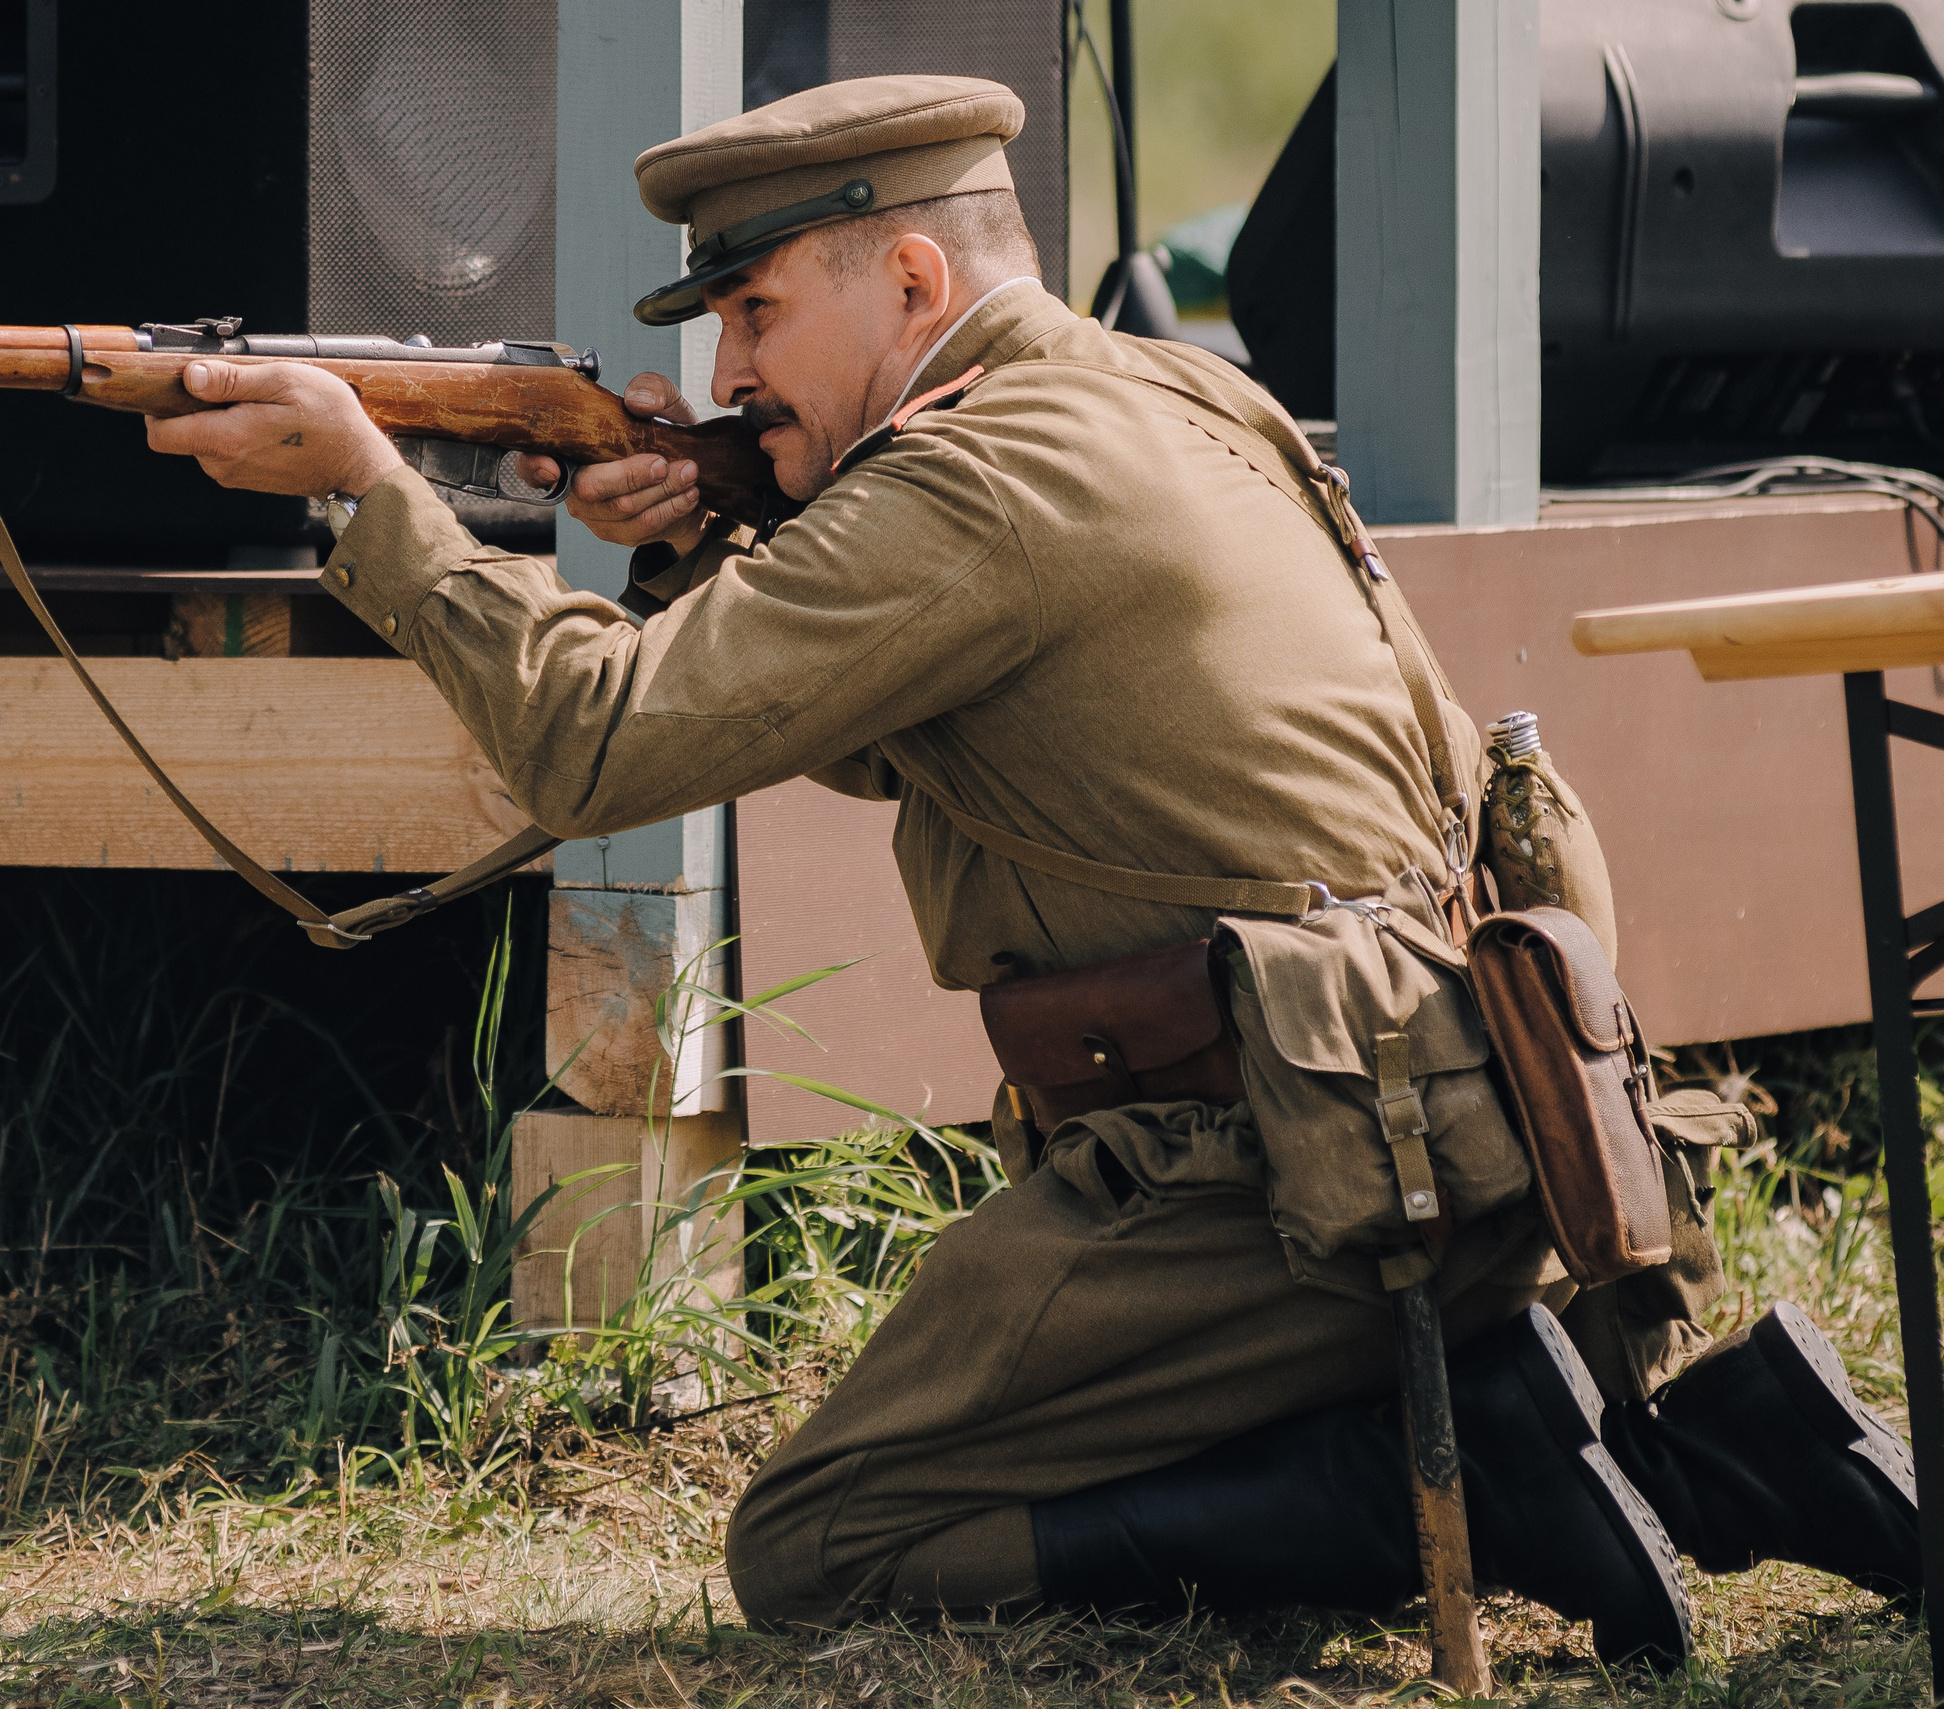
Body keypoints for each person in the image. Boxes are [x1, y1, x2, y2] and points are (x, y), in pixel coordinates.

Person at [146, 75, 1918, 1656]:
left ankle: (1451, 1480)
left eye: (755, 311)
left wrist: (375, 490)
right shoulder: (1169, 392)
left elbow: (592, 749)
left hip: (1278, 1172)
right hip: (1465, 1123)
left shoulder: (967, 483)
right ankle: (1710, 1449)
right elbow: (855, 722)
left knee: (822, 1541)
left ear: (913, 284)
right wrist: (708, 551)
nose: (725, 375)